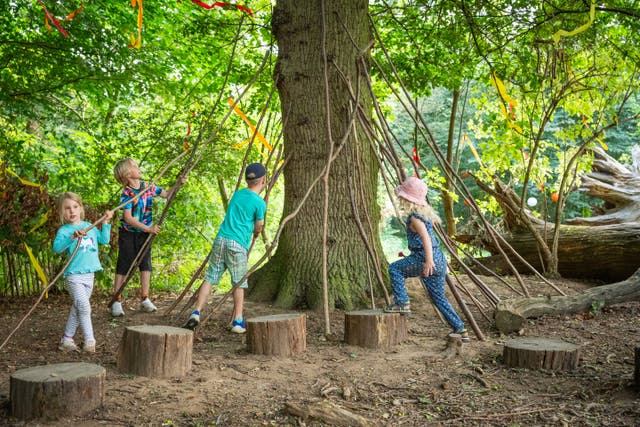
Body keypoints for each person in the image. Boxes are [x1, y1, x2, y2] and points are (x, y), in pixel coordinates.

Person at [183, 162, 267, 333]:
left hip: (221, 240)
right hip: (237, 244)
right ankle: (237, 321)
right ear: (263, 180)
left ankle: (196, 311)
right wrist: (256, 233)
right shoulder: (259, 203)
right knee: (239, 283)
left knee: (211, 277)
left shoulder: (237, 194)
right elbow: (259, 226)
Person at [385, 176, 470, 343]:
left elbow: (426, 239)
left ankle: (402, 302)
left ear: (407, 199)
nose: (399, 199)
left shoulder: (415, 218)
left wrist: (428, 261)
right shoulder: (425, 215)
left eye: (401, 197)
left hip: (425, 257)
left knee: (395, 269)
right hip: (438, 259)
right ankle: (460, 329)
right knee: (438, 297)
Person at [110, 158, 186, 317]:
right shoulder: (127, 194)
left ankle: (145, 298)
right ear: (127, 173)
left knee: (145, 264)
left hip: (145, 233)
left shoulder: (148, 187)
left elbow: (166, 194)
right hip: (129, 233)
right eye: (135, 166)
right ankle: (116, 300)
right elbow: (129, 218)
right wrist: (149, 228)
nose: (138, 168)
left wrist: (178, 183)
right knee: (124, 264)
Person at [53, 192, 113, 352]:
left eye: (75, 207)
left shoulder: (90, 227)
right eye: (67, 208)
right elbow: (57, 248)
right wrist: (72, 237)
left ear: (80, 208)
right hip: (74, 276)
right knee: (84, 308)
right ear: (62, 212)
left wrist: (106, 222)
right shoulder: (64, 231)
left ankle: (66, 339)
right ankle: (89, 341)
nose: (71, 211)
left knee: (77, 307)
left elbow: (105, 240)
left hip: (89, 275)